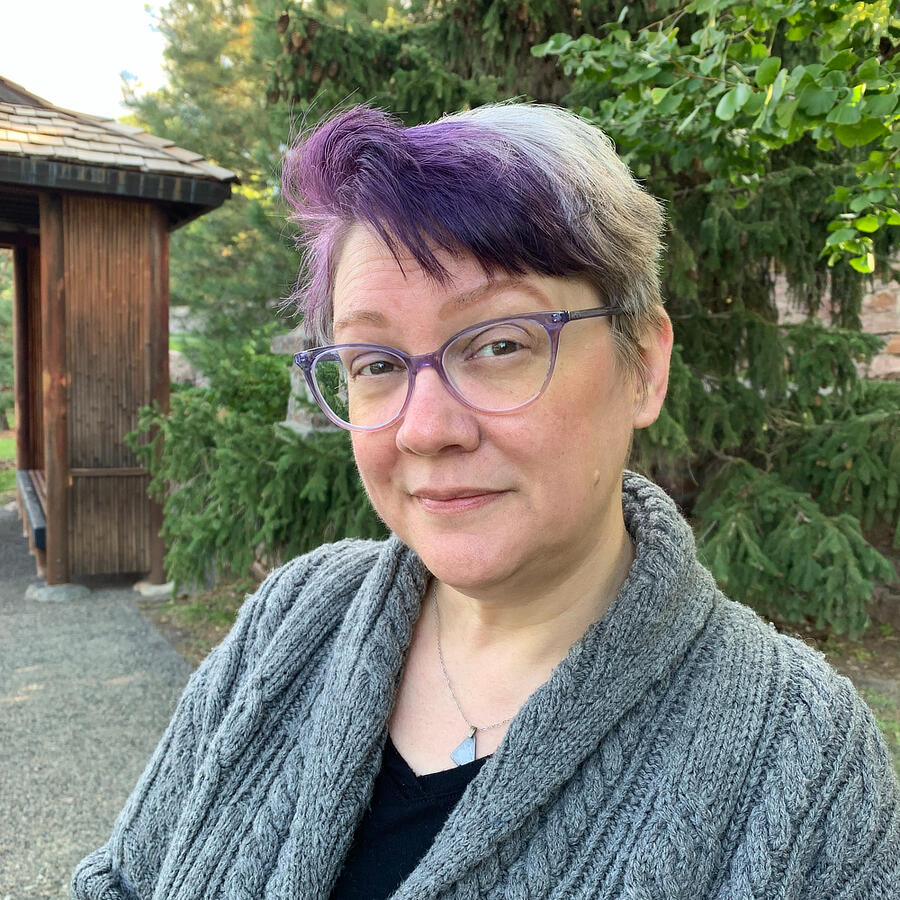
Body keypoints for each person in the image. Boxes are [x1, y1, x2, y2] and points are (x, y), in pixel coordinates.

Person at [72, 103, 899, 900]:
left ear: (643, 363)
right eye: (375, 363)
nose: (423, 431)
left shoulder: (801, 756)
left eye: (500, 344)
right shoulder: (292, 621)